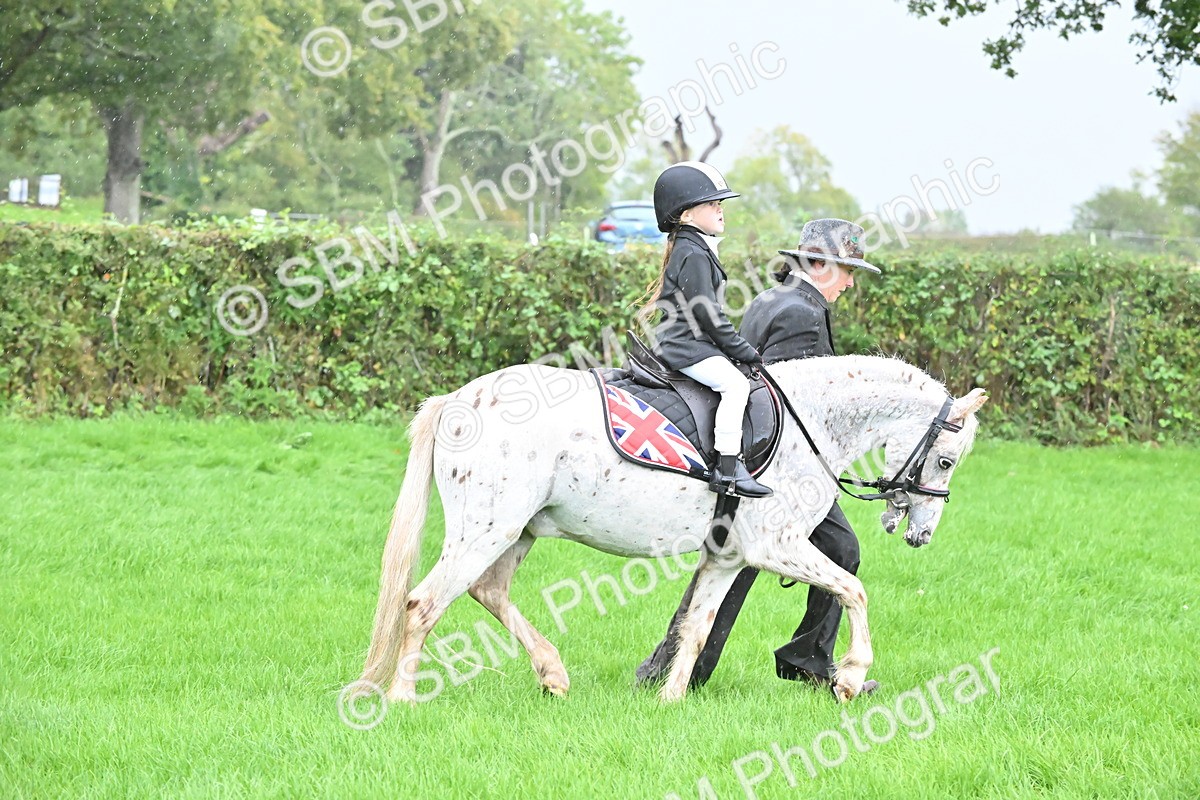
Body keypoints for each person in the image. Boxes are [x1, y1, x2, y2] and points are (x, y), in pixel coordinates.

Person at [636, 218, 883, 694]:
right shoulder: (802, 314)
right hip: (779, 458)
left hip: (756, 451)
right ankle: (802, 660)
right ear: (816, 263)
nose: (851, 281)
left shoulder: (775, 298)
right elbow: (791, 398)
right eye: (846, 270)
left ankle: (674, 669)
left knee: (739, 555)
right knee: (810, 551)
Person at [638, 161, 772, 498]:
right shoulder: (693, 253)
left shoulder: (694, 248)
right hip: (685, 347)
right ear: (685, 215)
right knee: (735, 385)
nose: (720, 209)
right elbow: (709, 315)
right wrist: (745, 351)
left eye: (720, 203)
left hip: (692, 344)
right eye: (711, 204)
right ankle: (728, 467)